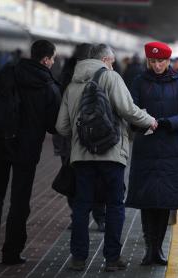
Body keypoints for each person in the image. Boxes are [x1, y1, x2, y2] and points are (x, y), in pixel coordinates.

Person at [55, 43, 157, 272]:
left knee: (81, 206)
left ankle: (78, 258)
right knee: (114, 205)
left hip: (82, 157)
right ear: (106, 60)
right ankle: (112, 259)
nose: (112, 65)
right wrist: (149, 120)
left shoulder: (73, 84)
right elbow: (128, 110)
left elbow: (61, 127)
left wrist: (82, 133)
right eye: (111, 61)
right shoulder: (112, 78)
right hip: (111, 154)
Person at [0, 40, 61, 265]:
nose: (53, 63)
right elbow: (53, 126)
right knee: (20, 200)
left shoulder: (8, 72)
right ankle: (11, 252)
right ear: (45, 59)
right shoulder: (48, 85)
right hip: (26, 150)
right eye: (53, 59)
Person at [125, 41, 178, 266]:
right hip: (145, 148)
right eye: (153, 61)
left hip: (169, 149)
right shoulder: (139, 82)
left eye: (161, 61)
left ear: (168, 61)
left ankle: (158, 249)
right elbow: (131, 110)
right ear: (148, 60)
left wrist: (167, 123)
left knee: (164, 200)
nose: (157, 65)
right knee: (148, 200)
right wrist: (144, 123)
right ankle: (149, 249)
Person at [54, 43, 106, 232]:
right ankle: (99, 218)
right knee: (97, 177)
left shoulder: (66, 76)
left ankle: (78, 216)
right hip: (95, 138)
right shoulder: (103, 74)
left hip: (70, 139)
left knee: (72, 178)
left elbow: (59, 108)